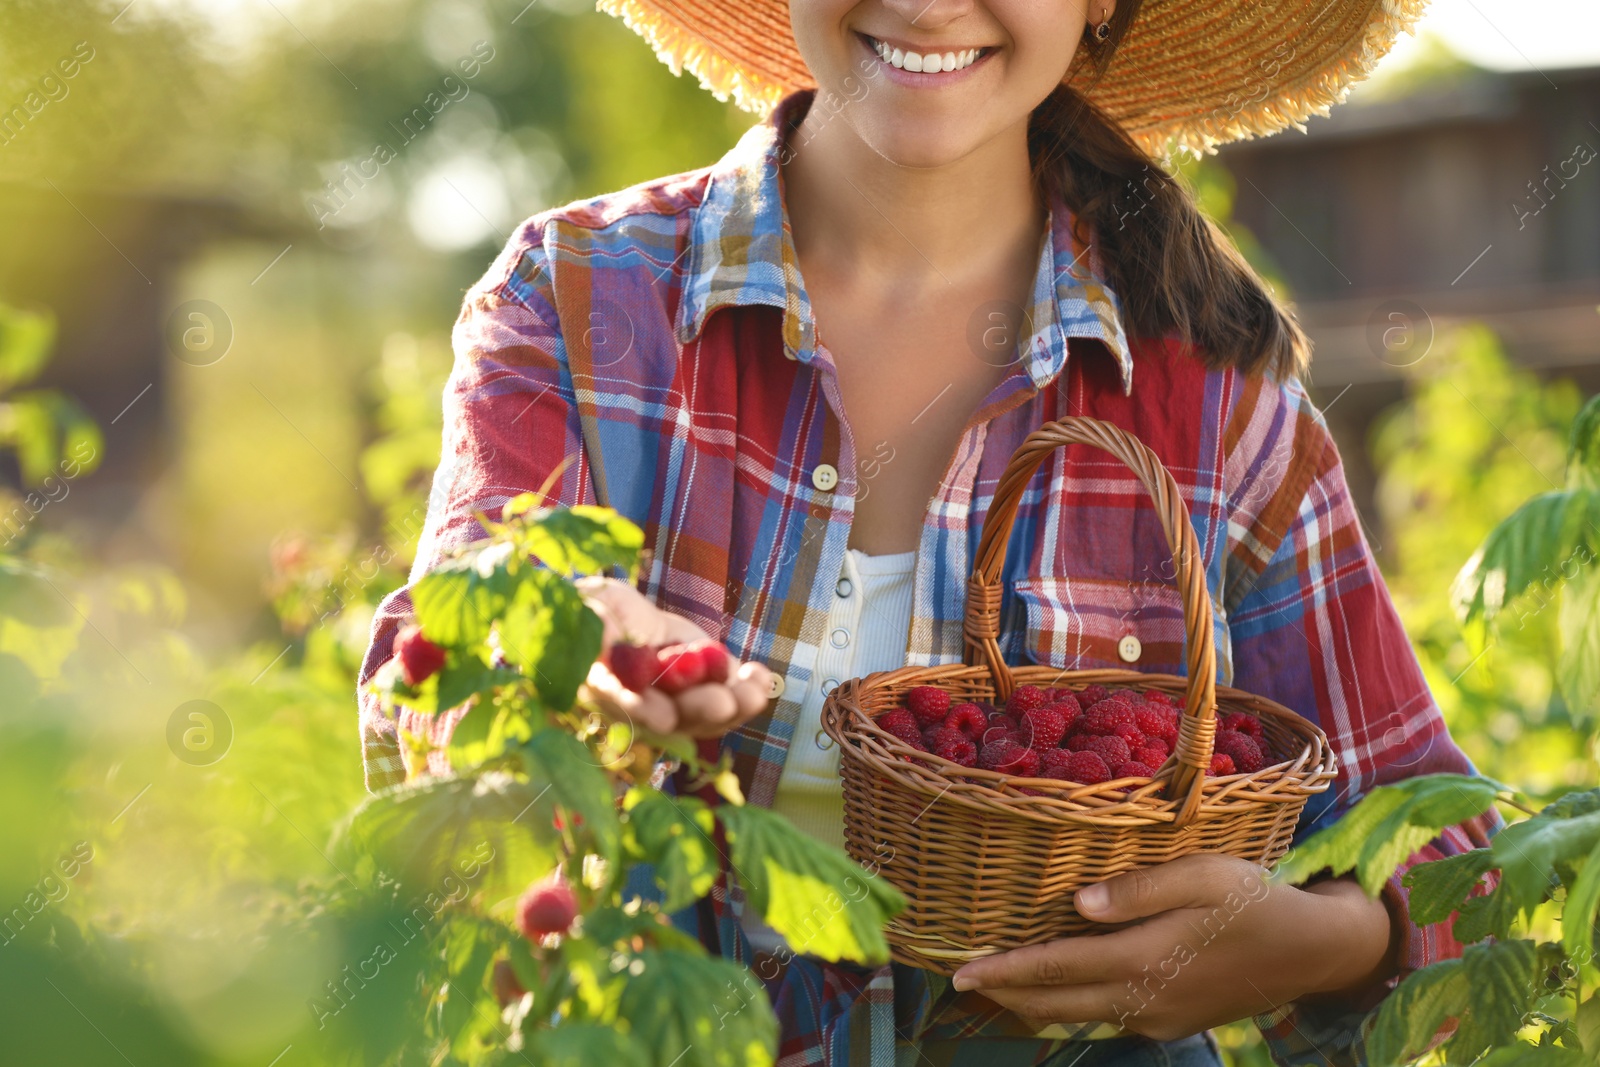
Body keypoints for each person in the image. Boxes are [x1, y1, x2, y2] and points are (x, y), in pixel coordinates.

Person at [357, 0, 1498, 1063]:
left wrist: (1338, 939)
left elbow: (1446, 843)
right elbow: (442, 664)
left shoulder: (1218, 413)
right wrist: (560, 648)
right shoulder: (577, 301)